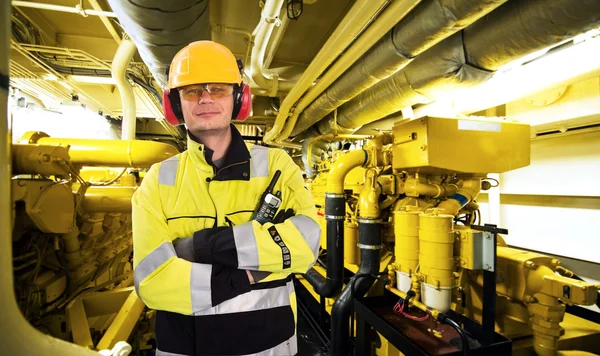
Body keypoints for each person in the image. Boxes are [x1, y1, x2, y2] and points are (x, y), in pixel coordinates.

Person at [131, 41, 321, 356]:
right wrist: (252, 270)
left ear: (238, 99)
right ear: (176, 105)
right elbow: (152, 282)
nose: (205, 97)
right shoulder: (157, 180)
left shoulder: (277, 165)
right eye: (192, 91)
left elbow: (306, 246)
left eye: (218, 88)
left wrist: (202, 247)